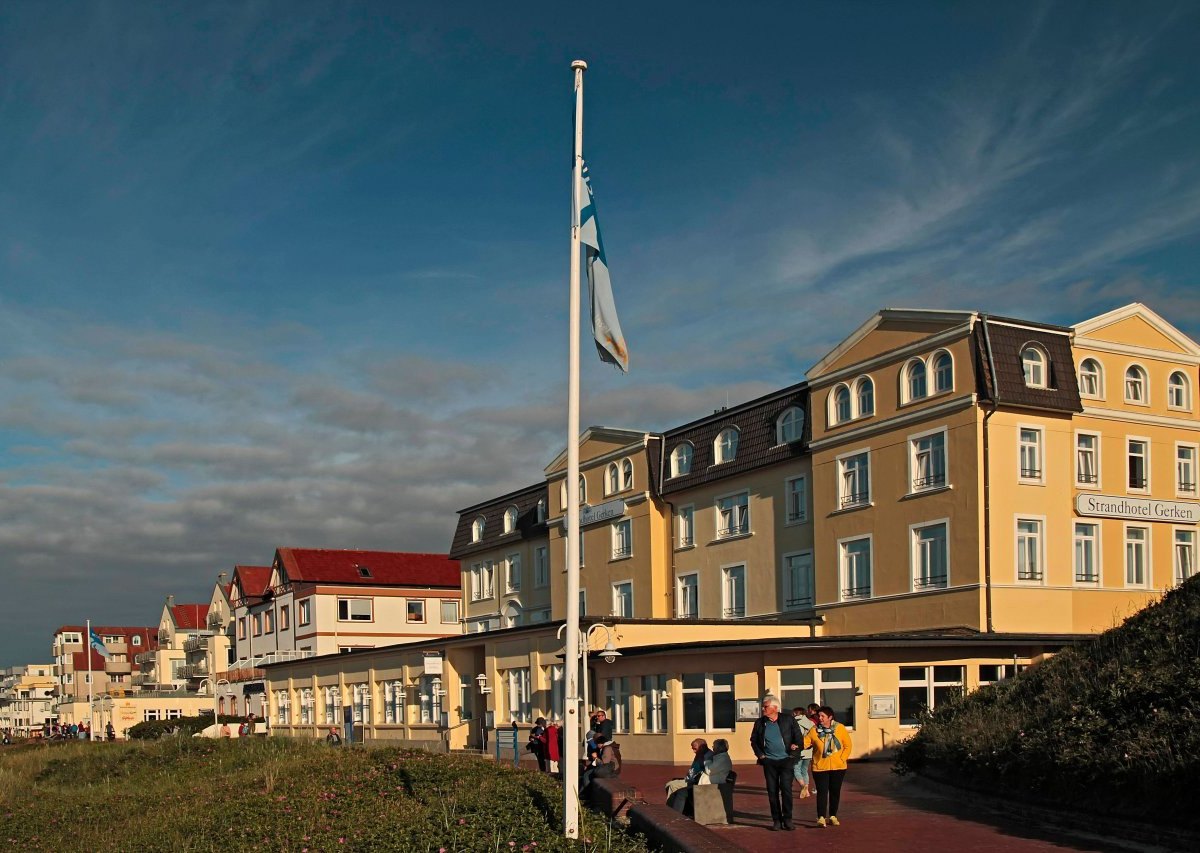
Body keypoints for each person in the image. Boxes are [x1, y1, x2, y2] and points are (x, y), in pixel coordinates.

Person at [749, 694, 803, 831]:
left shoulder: (788, 720)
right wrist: (761, 756)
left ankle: (788, 819)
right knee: (772, 792)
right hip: (769, 762)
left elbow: (799, 738)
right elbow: (754, 740)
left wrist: (794, 751)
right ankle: (776, 820)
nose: (763, 709)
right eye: (763, 706)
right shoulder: (760, 722)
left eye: (766, 706)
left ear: (775, 707)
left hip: (786, 761)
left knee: (786, 790)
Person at [804, 705, 853, 828]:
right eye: (818, 716)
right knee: (822, 792)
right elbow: (804, 742)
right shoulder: (814, 730)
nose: (819, 718)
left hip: (838, 767)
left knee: (835, 791)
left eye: (822, 716)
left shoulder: (840, 728)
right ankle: (821, 817)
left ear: (830, 717)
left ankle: (833, 816)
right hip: (820, 766)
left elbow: (848, 746)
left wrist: (842, 759)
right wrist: (795, 745)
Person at [664, 738, 711, 811]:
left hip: (696, 782)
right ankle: (675, 808)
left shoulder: (708, 757)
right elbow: (693, 769)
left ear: (702, 747)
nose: (694, 751)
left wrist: (690, 778)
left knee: (672, 785)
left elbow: (706, 772)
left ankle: (671, 810)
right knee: (669, 784)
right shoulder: (699, 754)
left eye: (695, 749)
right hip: (690, 779)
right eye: (693, 749)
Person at [792, 704, 817, 798]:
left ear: (795, 713)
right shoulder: (811, 723)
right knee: (804, 770)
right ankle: (807, 791)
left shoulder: (794, 722)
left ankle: (803, 787)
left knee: (796, 769)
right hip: (809, 751)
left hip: (799, 750)